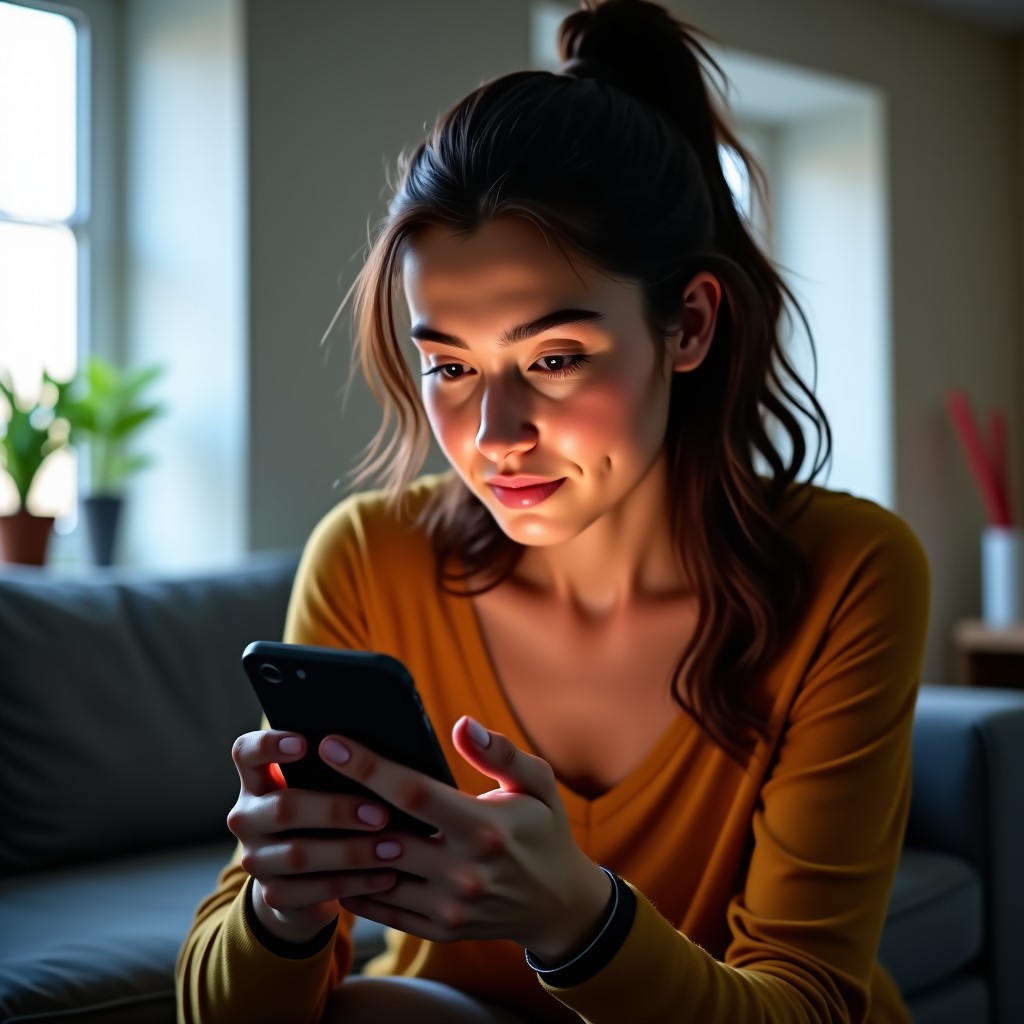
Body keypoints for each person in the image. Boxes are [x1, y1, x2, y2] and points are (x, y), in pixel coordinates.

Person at [176, 1, 930, 1021]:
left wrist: (581, 921)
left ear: (689, 325)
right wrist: (279, 907)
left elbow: (804, 997)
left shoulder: (851, 570)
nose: (495, 430)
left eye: (554, 359)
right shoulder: (366, 558)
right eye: (449, 364)